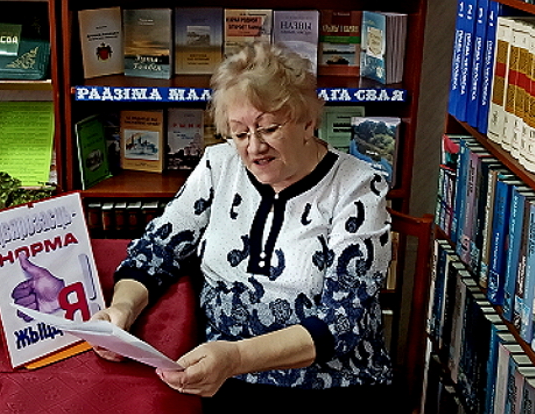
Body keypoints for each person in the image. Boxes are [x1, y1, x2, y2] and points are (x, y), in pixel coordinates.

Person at [92, 42, 394, 413]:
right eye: (239, 133)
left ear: (308, 121)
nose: (254, 147)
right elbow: (157, 249)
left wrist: (236, 357)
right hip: (221, 378)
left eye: (269, 128)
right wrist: (122, 309)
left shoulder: (358, 187)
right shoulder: (217, 166)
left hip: (330, 386)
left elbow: (342, 324)